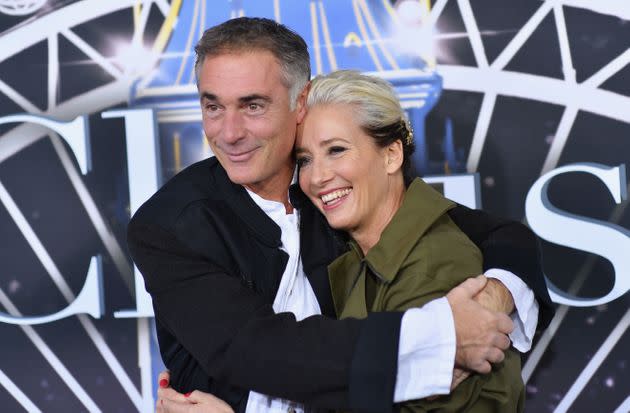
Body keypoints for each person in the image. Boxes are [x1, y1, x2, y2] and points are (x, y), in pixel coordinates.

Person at [127, 17, 553, 413]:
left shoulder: (334, 193)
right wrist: (444, 338)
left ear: (301, 102)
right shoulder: (168, 226)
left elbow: (498, 234)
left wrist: (497, 295)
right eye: (213, 106)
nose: (230, 132)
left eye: (253, 105)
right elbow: (256, 351)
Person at [294, 70, 524, 412]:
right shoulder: (360, 254)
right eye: (304, 160)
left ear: (391, 155)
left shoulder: (433, 264)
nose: (317, 177)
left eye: (337, 150)